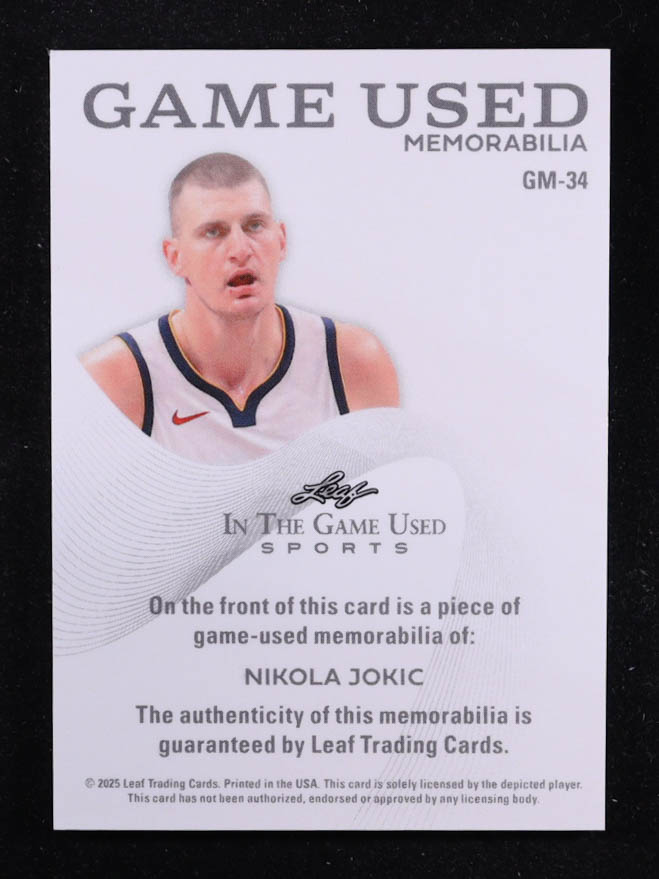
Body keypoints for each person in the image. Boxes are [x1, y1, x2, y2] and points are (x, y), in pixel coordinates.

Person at [81, 152, 399, 464]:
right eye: (213, 232)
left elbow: (389, 495)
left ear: (282, 240)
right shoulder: (113, 380)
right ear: (175, 257)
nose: (240, 249)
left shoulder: (351, 361)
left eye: (255, 226)